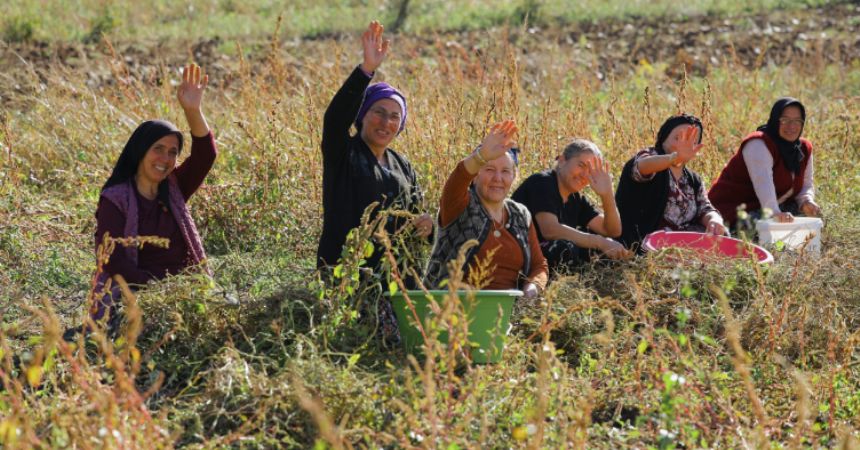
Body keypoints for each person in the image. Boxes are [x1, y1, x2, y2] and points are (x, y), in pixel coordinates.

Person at [87, 63, 216, 329]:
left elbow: (206, 155)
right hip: (133, 298)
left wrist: (193, 110)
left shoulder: (175, 187)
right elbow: (112, 259)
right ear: (140, 151)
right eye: (158, 149)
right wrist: (158, 292)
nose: (165, 158)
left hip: (183, 294)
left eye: (172, 152)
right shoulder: (116, 199)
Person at [317, 20, 432, 273]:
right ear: (362, 115)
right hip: (346, 274)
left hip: (394, 278)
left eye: (394, 117)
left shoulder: (402, 166)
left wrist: (426, 224)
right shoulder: (343, 153)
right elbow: (334, 120)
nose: (386, 122)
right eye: (378, 112)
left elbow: (413, 216)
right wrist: (367, 69)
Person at [425, 121, 548, 297]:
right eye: (489, 169)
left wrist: (533, 288)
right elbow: (458, 178)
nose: (498, 178)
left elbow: (538, 265)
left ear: (514, 177)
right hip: (453, 310)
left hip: (508, 312)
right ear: (475, 176)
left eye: (505, 171)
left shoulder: (520, 214)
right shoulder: (460, 205)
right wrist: (481, 156)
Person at [511, 138, 631, 273]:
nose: (585, 174)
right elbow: (550, 230)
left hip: (542, 260)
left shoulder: (575, 198)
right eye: (581, 165)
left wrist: (607, 194)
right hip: (518, 257)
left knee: (615, 243)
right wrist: (600, 242)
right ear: (562, 161)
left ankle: (595, 286)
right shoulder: (542, 182)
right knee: (564, 248)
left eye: (590, 170)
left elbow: (613, 231)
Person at [615, 114, 726, 249]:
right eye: (678, 138)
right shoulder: (652, 158)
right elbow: (640, 168)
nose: (683, 144)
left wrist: (714, 219)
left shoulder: (693, 179)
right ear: (664, 139)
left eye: (691, 140)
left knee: (722, 237)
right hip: (645, 245)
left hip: (683, 246)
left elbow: (705, 208)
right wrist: (674, 158)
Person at [709, 97, 821, 228]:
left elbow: (805, 185)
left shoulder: (804, 148)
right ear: (775, 120)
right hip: (733, 210)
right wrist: (775, 214)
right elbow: (764, 185)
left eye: (797, 121)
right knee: (762, 229)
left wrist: (806, 201)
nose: (791, 126)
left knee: (810, 218)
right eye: (785, 120)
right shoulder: (758, 144)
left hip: (768, 206)